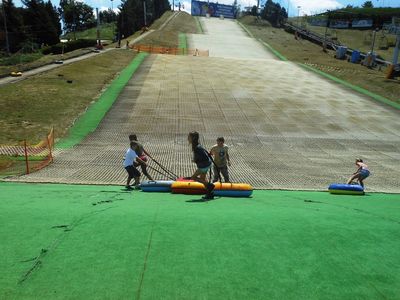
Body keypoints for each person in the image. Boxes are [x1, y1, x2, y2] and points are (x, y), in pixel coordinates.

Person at [188, 131, 215, 200]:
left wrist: (195, 160)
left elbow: (203, 157)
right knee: (202, 180)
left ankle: (210, 185)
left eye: (189, 137)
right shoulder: (197, 146)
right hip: (207, 164)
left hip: (204, 165)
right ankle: (210, 194)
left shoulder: (196, 147)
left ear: (193, 138)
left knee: (193, 177)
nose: (188, 138)